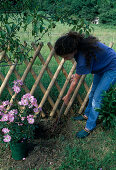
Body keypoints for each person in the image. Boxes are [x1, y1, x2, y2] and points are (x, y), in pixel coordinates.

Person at [54, 31, 116, 138]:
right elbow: (82, 69)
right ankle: (87, 115)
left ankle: (90, 126)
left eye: (65, 56)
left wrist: (67, 96)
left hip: (112, 67)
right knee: (92, 93)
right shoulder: (79, 46)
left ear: (72, 50)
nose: (64, 59)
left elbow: (75, 82)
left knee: (97, 98)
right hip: (102, 65)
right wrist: (78, 74)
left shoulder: (82, 56)